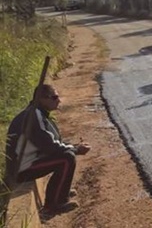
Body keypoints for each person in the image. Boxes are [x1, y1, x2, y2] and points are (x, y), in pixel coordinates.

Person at [4, 84, 91, 216]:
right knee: (67, 158)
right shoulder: (34, 115)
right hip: (22, 169)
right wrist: (76, 149)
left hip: (29, 161)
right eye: (54, 97)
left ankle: (61, 192)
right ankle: (54, 205)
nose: (59, 100)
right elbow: (50, 147)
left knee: (66, 153)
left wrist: (73, 147)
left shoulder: (37, 113)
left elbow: (52, 142)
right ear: (42, 99)